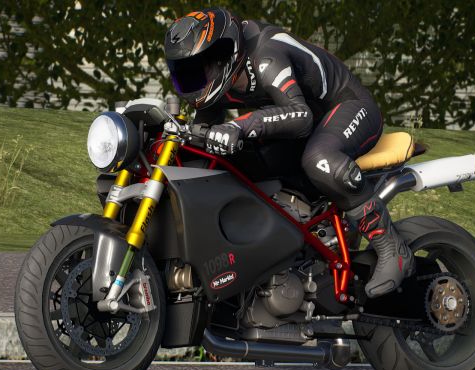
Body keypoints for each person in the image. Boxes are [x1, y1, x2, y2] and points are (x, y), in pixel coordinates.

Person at [164, 7, 413, 298]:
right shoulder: (218, 81)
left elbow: (301, 115)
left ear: (224, 56)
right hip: (307, 120)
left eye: (200, 69)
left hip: (347, 106)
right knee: (231, 161)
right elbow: (203, 135)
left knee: (319, 160)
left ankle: (392, 248)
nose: (195, 80)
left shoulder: (266, 55)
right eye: (187, 73)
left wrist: (239, 126)